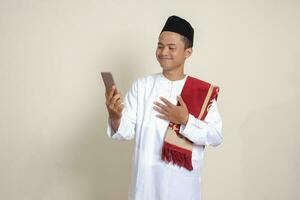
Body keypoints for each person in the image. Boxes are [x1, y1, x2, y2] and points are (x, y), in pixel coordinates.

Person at [105, 15, 223, 200]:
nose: (163, 51)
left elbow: (216, 136)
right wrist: (115, 117)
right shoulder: (142, 86)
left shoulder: (201, 92)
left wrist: (186, 120)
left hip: (183, 188)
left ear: (188, 52)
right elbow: (125, 131)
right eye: (160, 46)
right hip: (145, 187)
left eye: (171, 47)